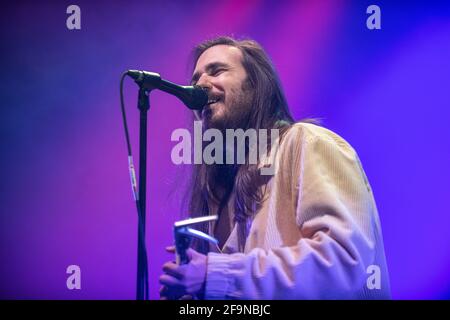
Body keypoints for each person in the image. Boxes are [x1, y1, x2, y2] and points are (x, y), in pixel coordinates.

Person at [159, 36, 391, 299]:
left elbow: (343, 263)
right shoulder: (219, 191)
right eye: (195, 79)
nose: (200, 84)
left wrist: (218, 275)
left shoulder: (308, 142)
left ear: (256, 85)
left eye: (217, 71)